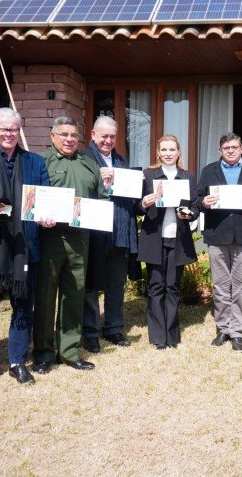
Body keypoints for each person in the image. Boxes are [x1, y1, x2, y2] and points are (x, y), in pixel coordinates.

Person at [0, 107, 50, 387]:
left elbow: (45, 199)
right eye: (2, 129)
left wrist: (46, 216)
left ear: (20, 130)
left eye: (13, 129)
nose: (8, 134)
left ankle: (17, 361)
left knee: (24, 306)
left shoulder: (36, 163)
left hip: (24, 246)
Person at [33, 117, 106, 374]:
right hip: (49, 239)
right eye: (63, 134)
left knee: (74, 295)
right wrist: (38, 215)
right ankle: (43, 353)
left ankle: (69, 351)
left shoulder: (89, 164)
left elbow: (101, 199)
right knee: (45, 297)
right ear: (52, 136)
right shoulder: (40, 161)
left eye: (74, 135)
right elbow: (30, 197)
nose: (69, 139)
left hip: (79, 240)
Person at [198, 132, 242, 351]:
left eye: (234, 147)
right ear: (220, 150)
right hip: (217, 235)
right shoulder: (209, 170)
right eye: (226, 147)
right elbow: (197, 200)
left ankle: (237, 331)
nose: (230, 151)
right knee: (220, 285)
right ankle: (223, 329)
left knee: (240, 284)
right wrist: (205, 203)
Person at [81, 116, 138, 353]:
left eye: (112, 136)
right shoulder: (83, 160)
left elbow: (130, 198)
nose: (108, 140)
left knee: (116, 283)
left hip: (120, 231)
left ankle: (113, 328)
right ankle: (91, 332)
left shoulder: (121, 162)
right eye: (103, 135)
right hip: (95, 232)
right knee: (92, 284)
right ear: (93, 134)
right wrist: (99, 183)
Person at [137, 135, 200, 349]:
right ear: (158, 152)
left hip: (178, 237)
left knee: (172, 286)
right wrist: (144, 203)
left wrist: (190, 214)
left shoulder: (188, 177)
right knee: (156, 286)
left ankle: (172, 336)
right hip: (155, 236)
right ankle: (157, 337)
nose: (168, 153)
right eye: (164, 150)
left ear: (179, 152)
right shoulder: (148, 175)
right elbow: (137, 205)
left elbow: (195, 206)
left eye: (172, 149)